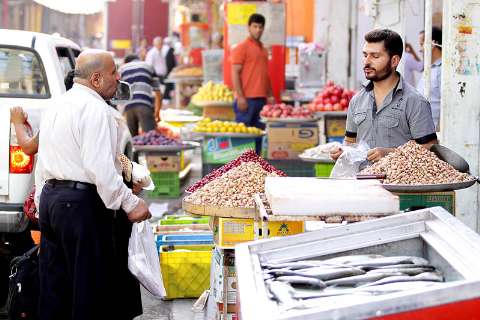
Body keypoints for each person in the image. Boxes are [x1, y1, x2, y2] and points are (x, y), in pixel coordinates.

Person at [36, 49, 151, 320]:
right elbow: (99, 167)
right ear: (97, 78)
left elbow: (46, 159)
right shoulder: (97, 109)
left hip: (51, 200)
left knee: (55, 287)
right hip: (79, 206)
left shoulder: (57, 105)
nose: (118, 77)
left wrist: (43, 206)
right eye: (113, 73)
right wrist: (131, 203)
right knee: (88, 288)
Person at [330, 29, 438, 163]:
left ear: (394, 61)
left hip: (398, 182)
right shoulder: (357, 100)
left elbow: (430, 150)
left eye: (375, 56)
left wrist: (392, 154)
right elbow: (350, 142)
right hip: (360, 181)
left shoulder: (415, 101)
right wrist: (342, 152)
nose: (366, 62)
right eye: (365, 55)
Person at [231, 13, 275, 130]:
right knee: (244, 140)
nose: (258, 30)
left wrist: (270, 95)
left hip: (261, 99)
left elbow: (265, 74)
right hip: (246, 100)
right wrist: (240, 97)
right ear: (249, 27)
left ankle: (256, 150)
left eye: (260, 27)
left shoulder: (263, 50)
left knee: (259, 136)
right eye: (255, 27)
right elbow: (235, 73)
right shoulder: (242, 47)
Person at [120, 54, 159, 136]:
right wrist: (157, 112)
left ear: (126, 62)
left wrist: (122, 112)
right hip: (144, 104)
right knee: (150, 138)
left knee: (133, 140)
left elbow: (120, 94)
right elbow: (158, 91)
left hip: (129, 107)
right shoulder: (148, 66)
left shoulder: (122, 69)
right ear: (139, 59)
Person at [416, 27, 442, 131]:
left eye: (422, 44)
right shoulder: (428, 69)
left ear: (432, 44)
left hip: (435, 136)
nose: (420, 49)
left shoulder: (442, 70)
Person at [162, 37, 177, 102]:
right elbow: (171, 62)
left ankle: (167, 98)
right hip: (168, 71)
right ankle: (166, 98)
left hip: (167, 71)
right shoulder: (169, 50)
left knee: (168, 85)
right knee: (168, 85)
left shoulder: (165, 50)